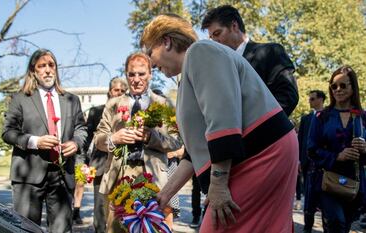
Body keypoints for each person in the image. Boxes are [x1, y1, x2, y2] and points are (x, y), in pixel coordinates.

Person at [141, 14, 298, 232]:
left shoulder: (199, 52)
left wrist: (218, 184)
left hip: (261, 155)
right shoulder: (192, 68)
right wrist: (165, 194)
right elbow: (193, 154)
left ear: (166, 41)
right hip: (261, 153)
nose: (152, 62)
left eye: (150, 52)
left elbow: (222, 119)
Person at [93, 52, 182, 233]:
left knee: (152, 229)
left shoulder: (164, 104)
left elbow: (176, 141)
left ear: (150, 74)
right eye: (131, 74)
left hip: (153, 176)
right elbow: (98, 139)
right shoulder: (113, 104)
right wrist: (113, 139)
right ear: (126, 74)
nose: (136, 79)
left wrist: (151, 137)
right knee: (116, 229)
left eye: (141, 74)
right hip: (119, 176)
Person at [2, 49, 87, 233]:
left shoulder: (71, 100)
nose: (47, 70)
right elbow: (8, 132)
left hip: (63, 175)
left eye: (51, 65)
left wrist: (76, 142)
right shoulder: (20, 99)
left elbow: (81, 128)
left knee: (62, 230)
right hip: (29, 175)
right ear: (33, 71)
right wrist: (35, 141)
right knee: (25, 230)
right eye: (42, 66)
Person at [201, 5, 298, 116]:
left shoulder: (271, 52)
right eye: (211, 38)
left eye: (217, 33)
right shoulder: (220, 69)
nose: (215, 41)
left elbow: (288, 96)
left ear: (234, 26)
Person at [307, 66, 366, 232]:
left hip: (354, 183)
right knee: (336, 222)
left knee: (345, 225)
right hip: (328, 181)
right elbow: (311, 149)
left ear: (353, 87)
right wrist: (337, 156)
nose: (338, 90)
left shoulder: (363, 117)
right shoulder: (322, 117)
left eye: (343, 85)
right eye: (334, 86)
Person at [72, 77, 128, 229]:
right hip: (101, 165)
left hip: (124, 168)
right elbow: (88, 138)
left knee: (121, 213)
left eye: (123, 91)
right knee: (100, 212)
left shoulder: (131, 111)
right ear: (110, 91)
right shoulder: (96, 111)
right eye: (117, 90)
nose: (119, 93)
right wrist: (84, 163)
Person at [298, 90, 327, 233]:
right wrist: (298, 160)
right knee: (308, 199)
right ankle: (307, 228)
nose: (309, 101)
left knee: (325, 200)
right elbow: (300, 141)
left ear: (321, 99)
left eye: (312, 99)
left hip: (325, 165)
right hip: (307, 165)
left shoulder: (330, 116)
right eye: (309, 99)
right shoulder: (306, 119)